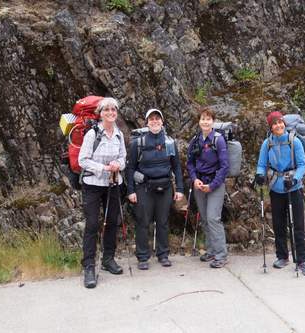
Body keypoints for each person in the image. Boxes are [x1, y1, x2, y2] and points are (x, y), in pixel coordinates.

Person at [254, 111, 305, 276]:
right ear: (271, 127)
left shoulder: (295, 142)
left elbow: (302, 165)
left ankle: (302, 260)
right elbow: (261, 164)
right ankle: (282, 256)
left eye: (280, 122)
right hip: (275, 188)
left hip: (293, 188)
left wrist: (295, 179)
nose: (278, 126)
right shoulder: (267, 144)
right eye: (274, 124)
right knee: (279, 225)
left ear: (284, 123)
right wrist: (259, 175)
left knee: (298, 225)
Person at [126, 108, 184, 270]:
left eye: (157, 119)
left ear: (162, 121)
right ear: (147, 122)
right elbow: (130, 169)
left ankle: (163, 254)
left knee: (163, 222)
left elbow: (176, 167)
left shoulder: (170, 143)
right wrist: (131, 191)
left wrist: (179, 189)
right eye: (151, 119)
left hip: (165, 187)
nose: (154, 121)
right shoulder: (138, 143)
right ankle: (143, 257)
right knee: (143, 222)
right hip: (144, 188)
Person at [78, 97, 127, 288]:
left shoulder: (119, 134)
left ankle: (108, 259)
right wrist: (104, 168)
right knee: (92, 224)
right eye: (107, 110)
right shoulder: (92, 133)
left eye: (113, 110)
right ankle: (89, 266)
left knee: (111, 222)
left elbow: (123, 157)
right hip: (92, 183)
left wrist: (118, 165)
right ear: (100, 113)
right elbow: (83, 160)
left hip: (114, 184)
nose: (111, 113)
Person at [186, 107, 230, 268]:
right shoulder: (195, 140)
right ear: (199, 121)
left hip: (215, 184)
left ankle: (221, 254)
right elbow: (190, 163)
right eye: (203, 119)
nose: (205, 121)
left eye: (208, 119)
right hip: (200, 184)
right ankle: (211, 250)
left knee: (213, 218)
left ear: (213, 121)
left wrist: (212, 185)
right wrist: (195, 179)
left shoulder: (218, 140)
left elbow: (225, 166)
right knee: (205, 218)